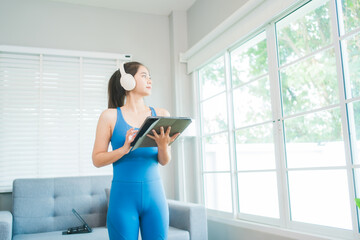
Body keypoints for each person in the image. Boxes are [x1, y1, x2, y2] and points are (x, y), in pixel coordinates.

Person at [92, 61, 179, 240]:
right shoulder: (109, 116)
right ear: (128, 81)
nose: (150, 81)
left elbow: (164, 160)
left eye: (150, 77)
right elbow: (97, 159)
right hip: (123, 200)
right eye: (144, 76)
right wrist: (124, 149)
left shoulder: (161, 114)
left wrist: (163, 146)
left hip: (155, 197)